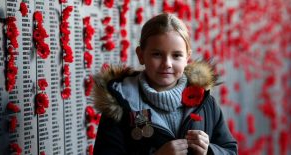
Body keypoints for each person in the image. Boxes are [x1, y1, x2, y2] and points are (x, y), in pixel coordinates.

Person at [93, 13, 237, 155]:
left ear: (187, 57)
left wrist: (209, 151)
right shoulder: (119, 105)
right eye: (157, 54)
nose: (167, 64)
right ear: (141, 55)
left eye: (176, 55)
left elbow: (230, 150)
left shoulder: (205, 103)